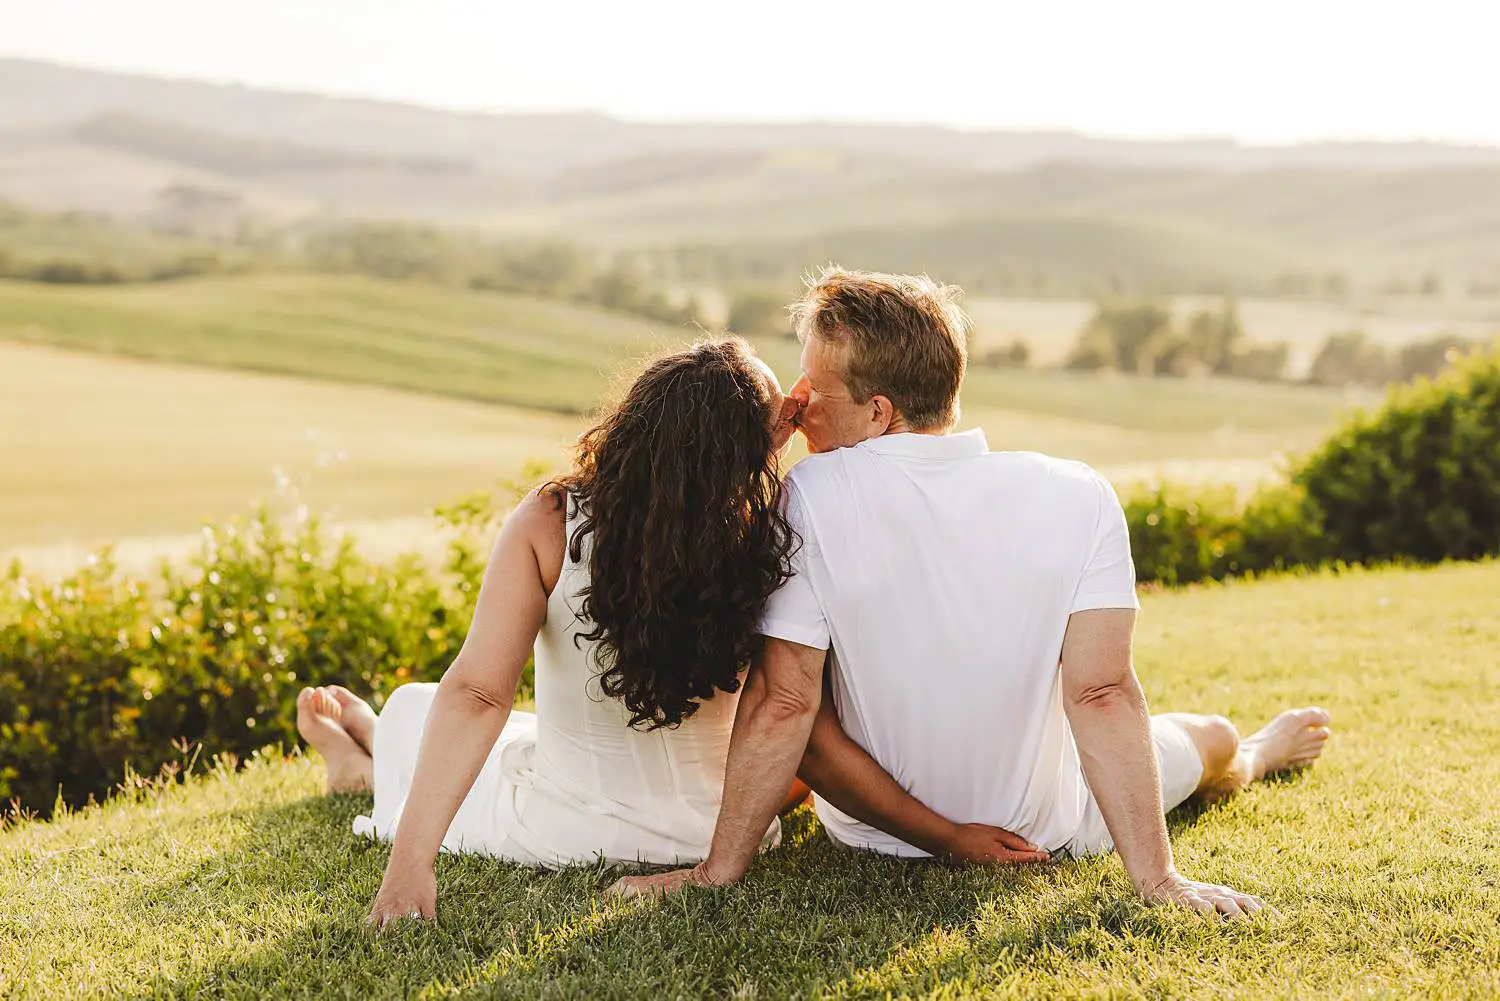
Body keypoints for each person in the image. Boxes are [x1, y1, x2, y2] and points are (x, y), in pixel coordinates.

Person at [611, 268, 1332, 917]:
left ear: (879, 412)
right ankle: (1250, 749)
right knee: (1211, 736)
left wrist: (716, 873)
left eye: (813, 390)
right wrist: (1158, 879)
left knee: (1218, 740)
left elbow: (786, 700)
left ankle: (1261, 752)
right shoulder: (1079, 491)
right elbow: (1102, 693)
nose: (797, 407)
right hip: (1051, 828)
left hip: (868, 833)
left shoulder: (808, 494)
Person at [295, 337, 1013, 928]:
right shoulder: (772, 537)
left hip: (569, 829)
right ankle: (364, 756)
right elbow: (809, 735)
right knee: (502, 728)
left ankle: (361, 764)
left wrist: (408, 869)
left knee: (419, 707)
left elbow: (478, 690)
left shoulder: (553, 519)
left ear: (639, 425)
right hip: (728, 830)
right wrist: (946, 836)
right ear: (749, 450)